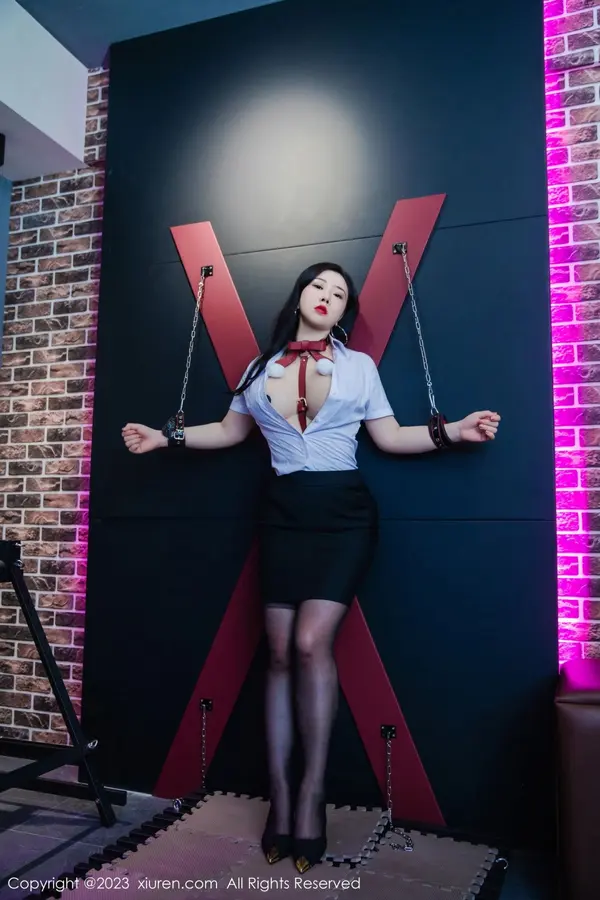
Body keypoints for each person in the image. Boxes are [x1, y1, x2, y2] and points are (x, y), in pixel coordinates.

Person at [121, 262, 501, 873]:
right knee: (276, 652)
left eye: (339, 293)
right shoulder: (258, 369)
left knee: (307, 643)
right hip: (281, 512)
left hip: (343, 512)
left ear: (345, 311)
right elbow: (229, 431)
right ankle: (280, 796)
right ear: (299, 295)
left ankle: (311, 795)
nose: (327, 296)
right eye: (319, 286)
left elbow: (389, 437)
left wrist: (453, 430)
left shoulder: (359, 367)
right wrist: (165, 438)